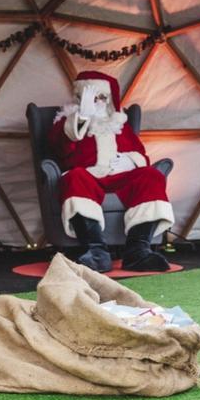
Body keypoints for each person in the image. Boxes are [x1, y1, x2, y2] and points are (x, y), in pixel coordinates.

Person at [48, 71, 173, 273]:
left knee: (151, 176)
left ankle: (138, 251)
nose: (97, 102)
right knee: (74, 178)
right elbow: (60, 147)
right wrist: (83, 117)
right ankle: (96, 252)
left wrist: (130, 160)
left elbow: (141, 154)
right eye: (92, 97)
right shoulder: (66, 122)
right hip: (89, 176)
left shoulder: (119, 124)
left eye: (101, 97)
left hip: (121, 177)